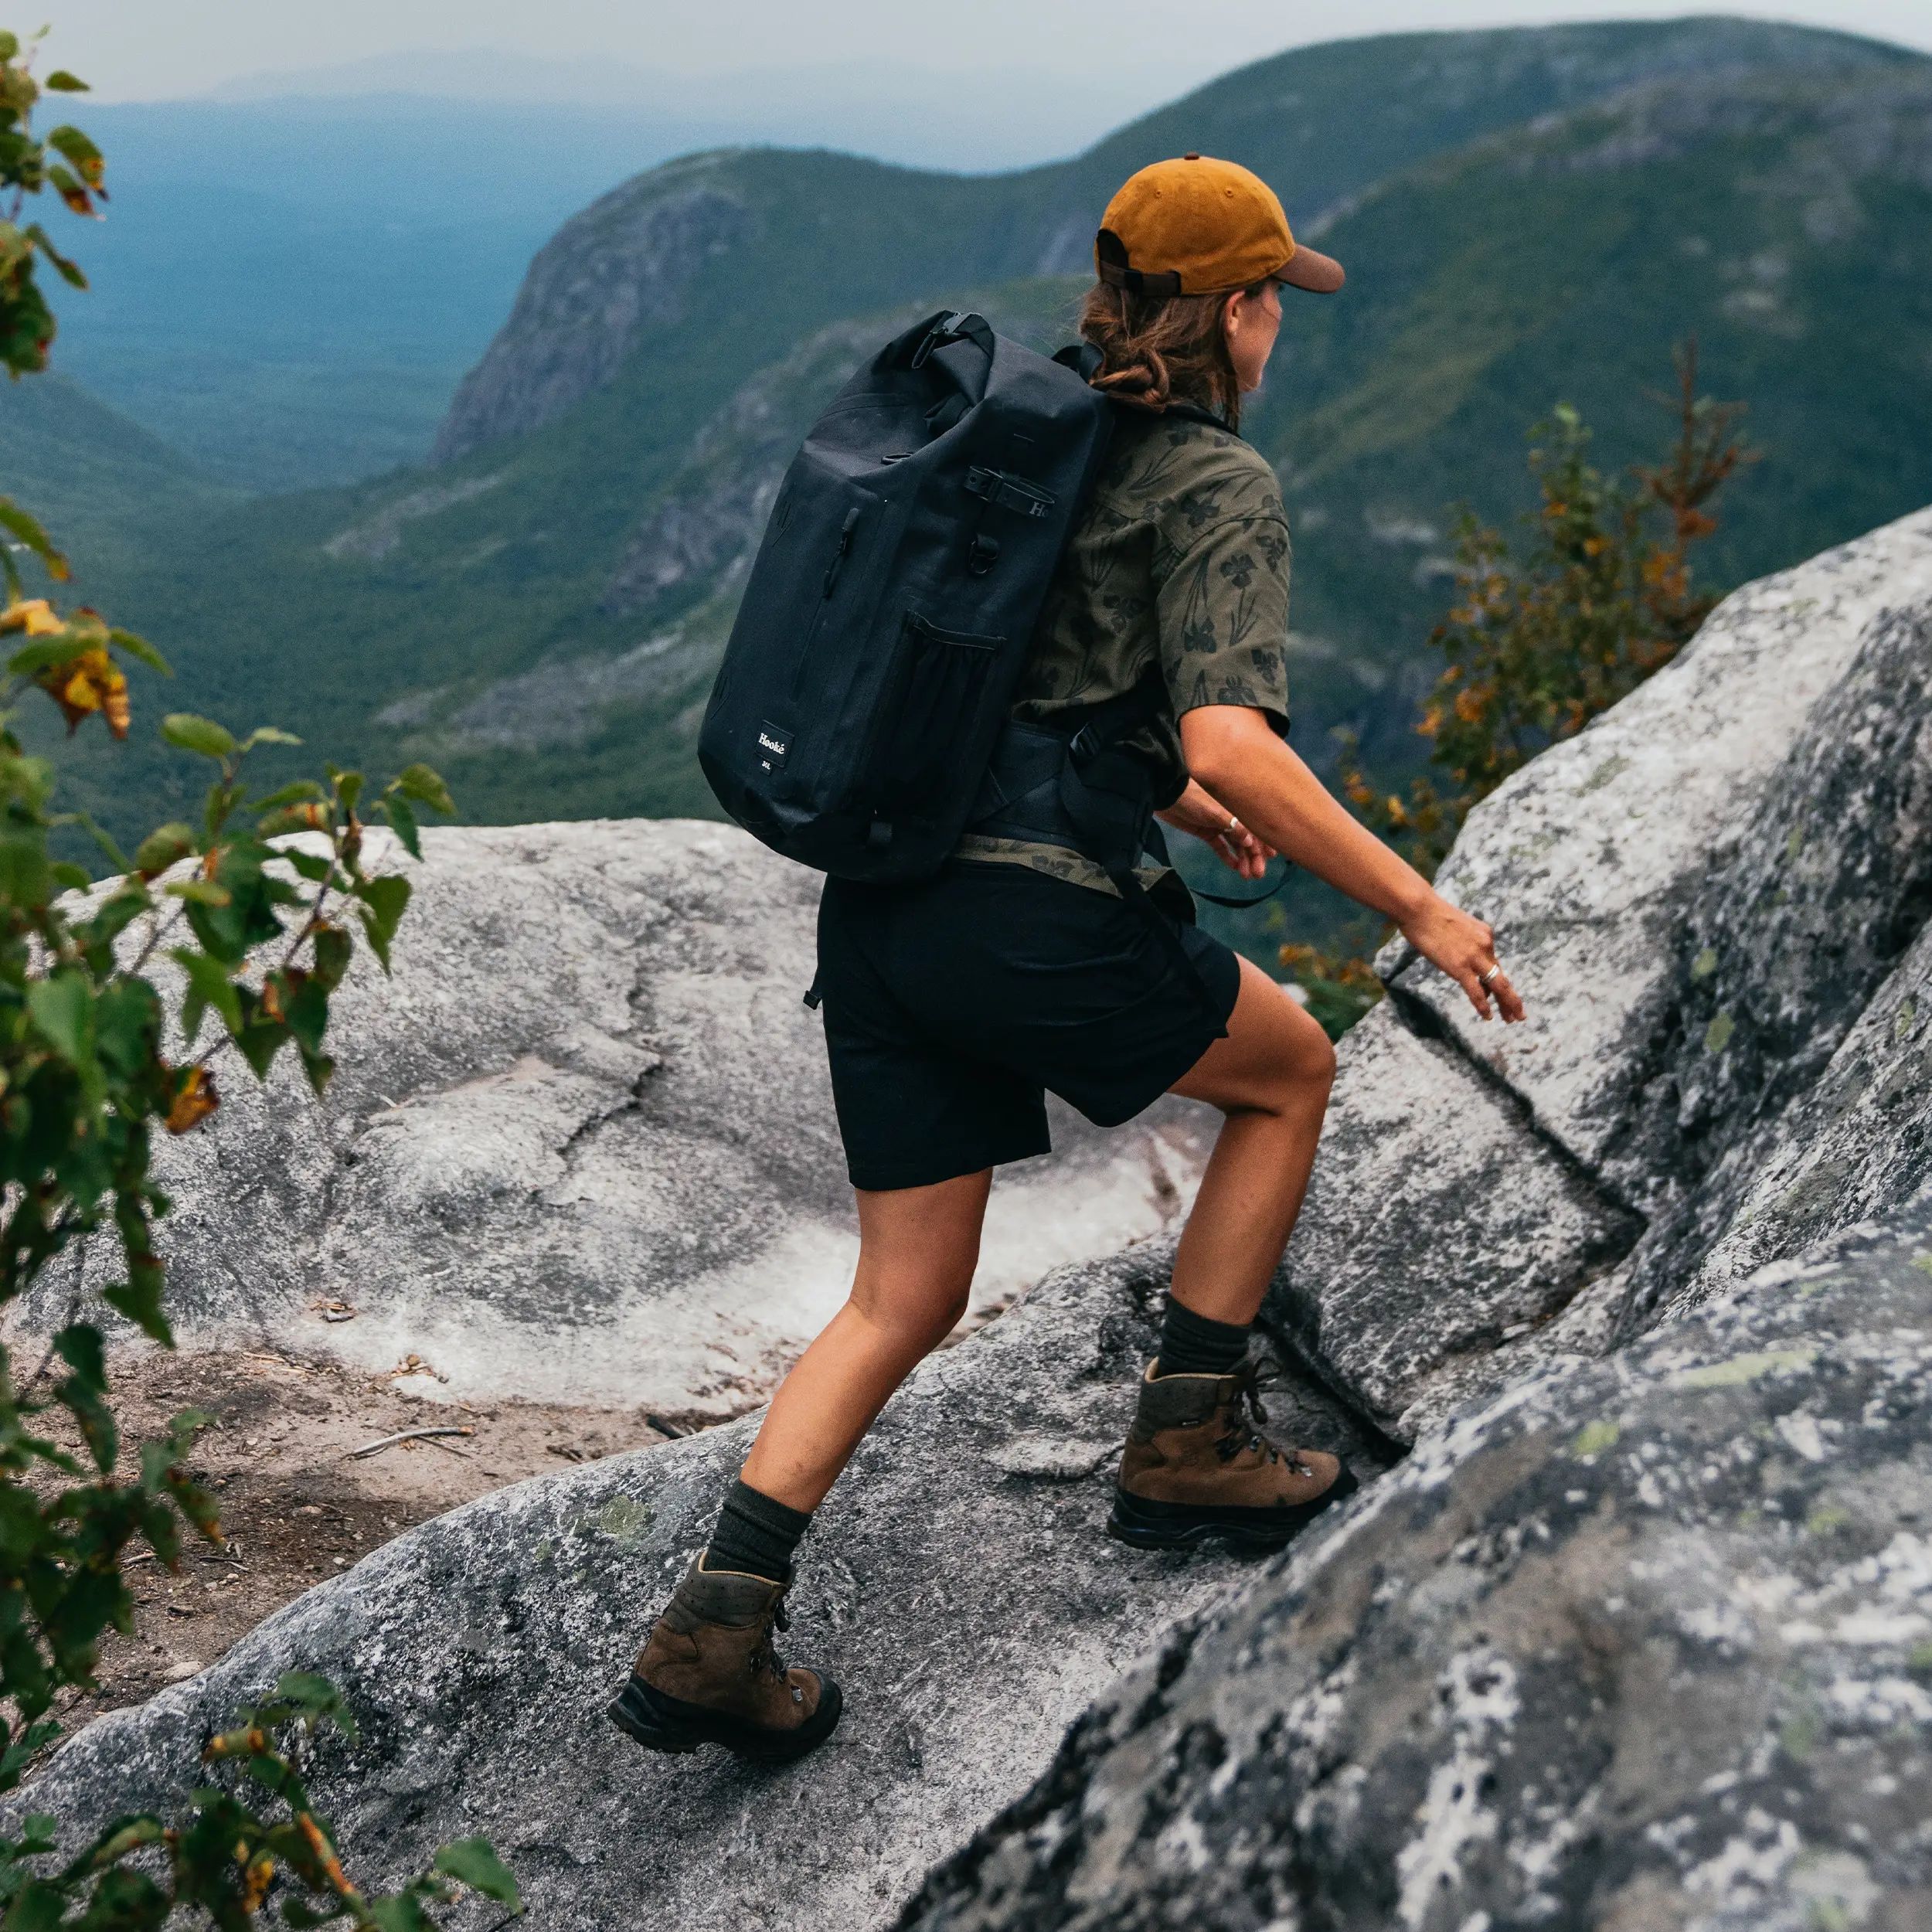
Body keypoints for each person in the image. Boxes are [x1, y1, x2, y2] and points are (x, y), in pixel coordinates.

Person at [607, 154, 1526, 1764]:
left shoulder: (1024, 443)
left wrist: (1160, 788)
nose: (1276, 326)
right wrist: (1418, 907)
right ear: (1233, 312)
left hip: (883, 910)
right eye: (1271, 300)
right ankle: (1187, 1440)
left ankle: (713, 1626)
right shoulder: (1211, 480)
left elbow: (1016, 683)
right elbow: (1236, 739)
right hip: (1028, 915)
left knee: (901, 1293)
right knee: (1291, 1073)